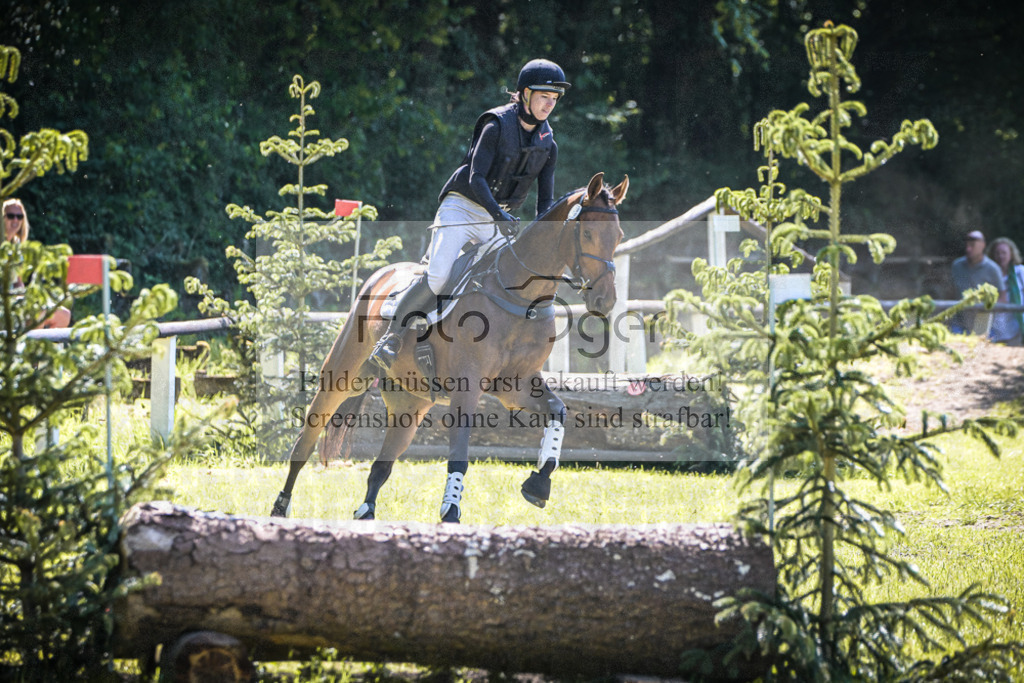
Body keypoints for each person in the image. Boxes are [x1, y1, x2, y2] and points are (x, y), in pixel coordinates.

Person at [368, 58, 570, 371]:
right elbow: (476, 178)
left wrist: (547, 239)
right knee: (437, 277)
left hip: (496, 219)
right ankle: (392, 337)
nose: (549, 105)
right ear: (526, 94)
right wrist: (498, 215)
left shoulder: (548, 144)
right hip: (462, 207)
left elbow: (545, 202)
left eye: (554, 99)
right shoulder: (495, 125)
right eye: (544, 96)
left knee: (505, 278)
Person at [3, 198, 72, 328]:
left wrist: (27, 298)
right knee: (38, 315)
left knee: (64, 315)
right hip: (4, 303)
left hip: (17, 299)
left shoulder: (17, 246)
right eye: (11, 216)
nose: (16, 220)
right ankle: (30, 347)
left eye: (20, 216)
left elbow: (18, 282)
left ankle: (47, 347)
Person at [949, 229, 1004, 335]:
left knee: (979, 349)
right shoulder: (957, 266)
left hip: (982, 321)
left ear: (982, 245)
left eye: (972, 245)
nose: (968, 249)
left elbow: (1003, 297)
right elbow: (951, 292)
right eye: (967, 245)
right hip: (959, 321)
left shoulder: (993, 269)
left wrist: (988, 310)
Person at [986, 237, 1024, 346]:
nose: (1000, 256)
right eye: (997, 253)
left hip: (1016, 330)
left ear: (1011, 254)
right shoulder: (987, 274)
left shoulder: (1020, 272)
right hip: (993, 331)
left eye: (1004, 252)